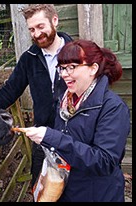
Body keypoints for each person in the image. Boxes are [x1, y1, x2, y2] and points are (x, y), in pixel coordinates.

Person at [23, 39, 130, 202]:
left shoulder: (113, 107)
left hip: (98, 194)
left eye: (72, 67)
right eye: (62, 67)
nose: (64, 74)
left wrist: (53, 138)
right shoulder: (65, 100)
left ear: (93, 68)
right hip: (66, 190)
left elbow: (104, 161)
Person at [0, 4, 73, 188]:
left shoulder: (78, 52)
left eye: (41, 27)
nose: (36, 34)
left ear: (54, 21)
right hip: (43, 137)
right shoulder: (29, 58)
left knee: (75, 190)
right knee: (40, 190)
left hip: (75, 137)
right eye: (31, 29)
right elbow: (9, 91)